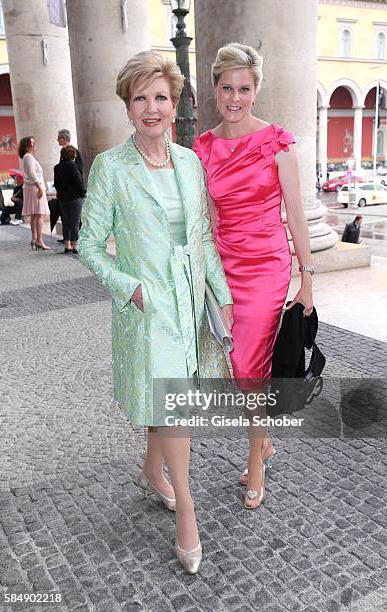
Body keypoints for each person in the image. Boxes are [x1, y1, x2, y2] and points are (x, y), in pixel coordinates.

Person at [78, 50, 233, 574]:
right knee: (175, 405)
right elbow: (90, 245)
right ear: (127, 107)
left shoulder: (190, 163)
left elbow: (203, 238)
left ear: (176, 105)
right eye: (140, 98)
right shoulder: (110, 168)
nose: (152, 108)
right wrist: (129, 287)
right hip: (147, 308)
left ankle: (152, 469)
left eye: (161, 97)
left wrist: (223, 297)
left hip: (188, 301)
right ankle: (187, 512)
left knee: (166, 398)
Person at [193, 43, 314, 509]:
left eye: (244, 88)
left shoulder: (278, 144)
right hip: (225, 267)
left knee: (249, 367)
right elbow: (203, 219)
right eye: (227, 88)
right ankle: (262, 440)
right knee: (233, 365)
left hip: (267, 265)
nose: (235, 98)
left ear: (256, 90)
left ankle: (256, 459)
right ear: (215, 90)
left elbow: (297, 215)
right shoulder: (202, 148)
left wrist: (307, 276)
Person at [18, 136, 51, 250]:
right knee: (39, 214)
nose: (34, 144)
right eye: (32, 142)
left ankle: (35, 238)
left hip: (32, 187)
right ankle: (39, 240)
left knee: (35, 215)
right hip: (34, 187)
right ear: (28, 145)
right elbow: (32, 174)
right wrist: (40, 188)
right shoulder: (28, 157)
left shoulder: (28, 157)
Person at [54, 145, 85, 254]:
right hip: (74, 198)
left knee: (66, 222)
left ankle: (67, 245)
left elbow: (56, 184)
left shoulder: (56, 167)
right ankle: (74, 245)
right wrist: (83, 194)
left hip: (63, 199)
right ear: (72, 155)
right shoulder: (73, 166)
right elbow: (78, 182)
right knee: (75, 223)